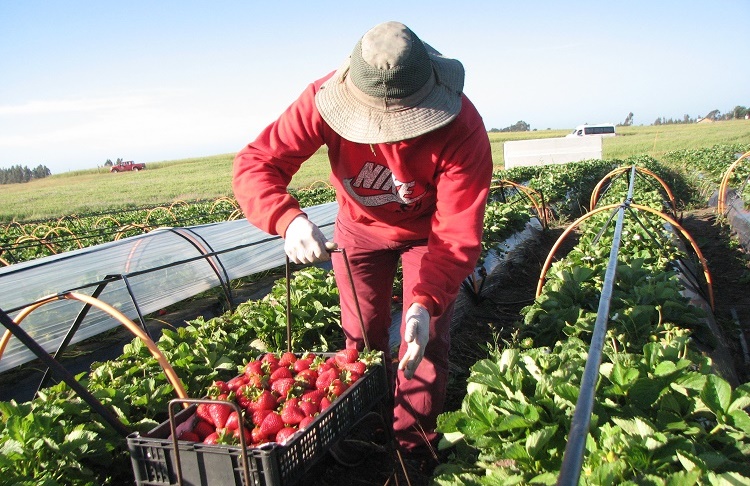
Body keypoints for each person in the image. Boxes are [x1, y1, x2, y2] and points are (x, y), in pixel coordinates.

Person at [232, 20, 492, 461]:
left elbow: (456, 233)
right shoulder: (320, 100)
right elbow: (256, 164)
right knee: (360, 340)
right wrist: (288, 220)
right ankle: (364, 430)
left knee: (422, 340)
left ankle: (412, 448)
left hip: (430, 238)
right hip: (358, 231)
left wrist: (424, 304)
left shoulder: (461, 126)